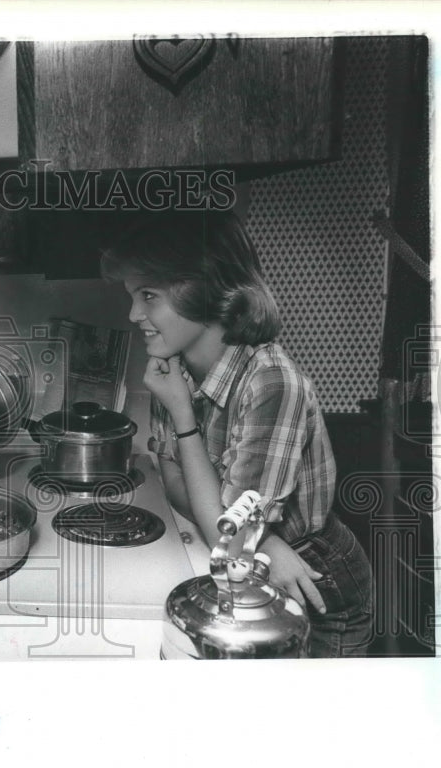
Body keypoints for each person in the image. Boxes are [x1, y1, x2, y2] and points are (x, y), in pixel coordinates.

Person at [102, 210, 374, 658]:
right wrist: (254, 538)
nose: (133, 314)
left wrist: (183, 419)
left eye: (148, 295)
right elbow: (179, 492)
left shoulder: (272, 381)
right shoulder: (175, 369)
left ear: (204, 290)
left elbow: (225, 536)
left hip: (315, 581)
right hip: (257, 564)